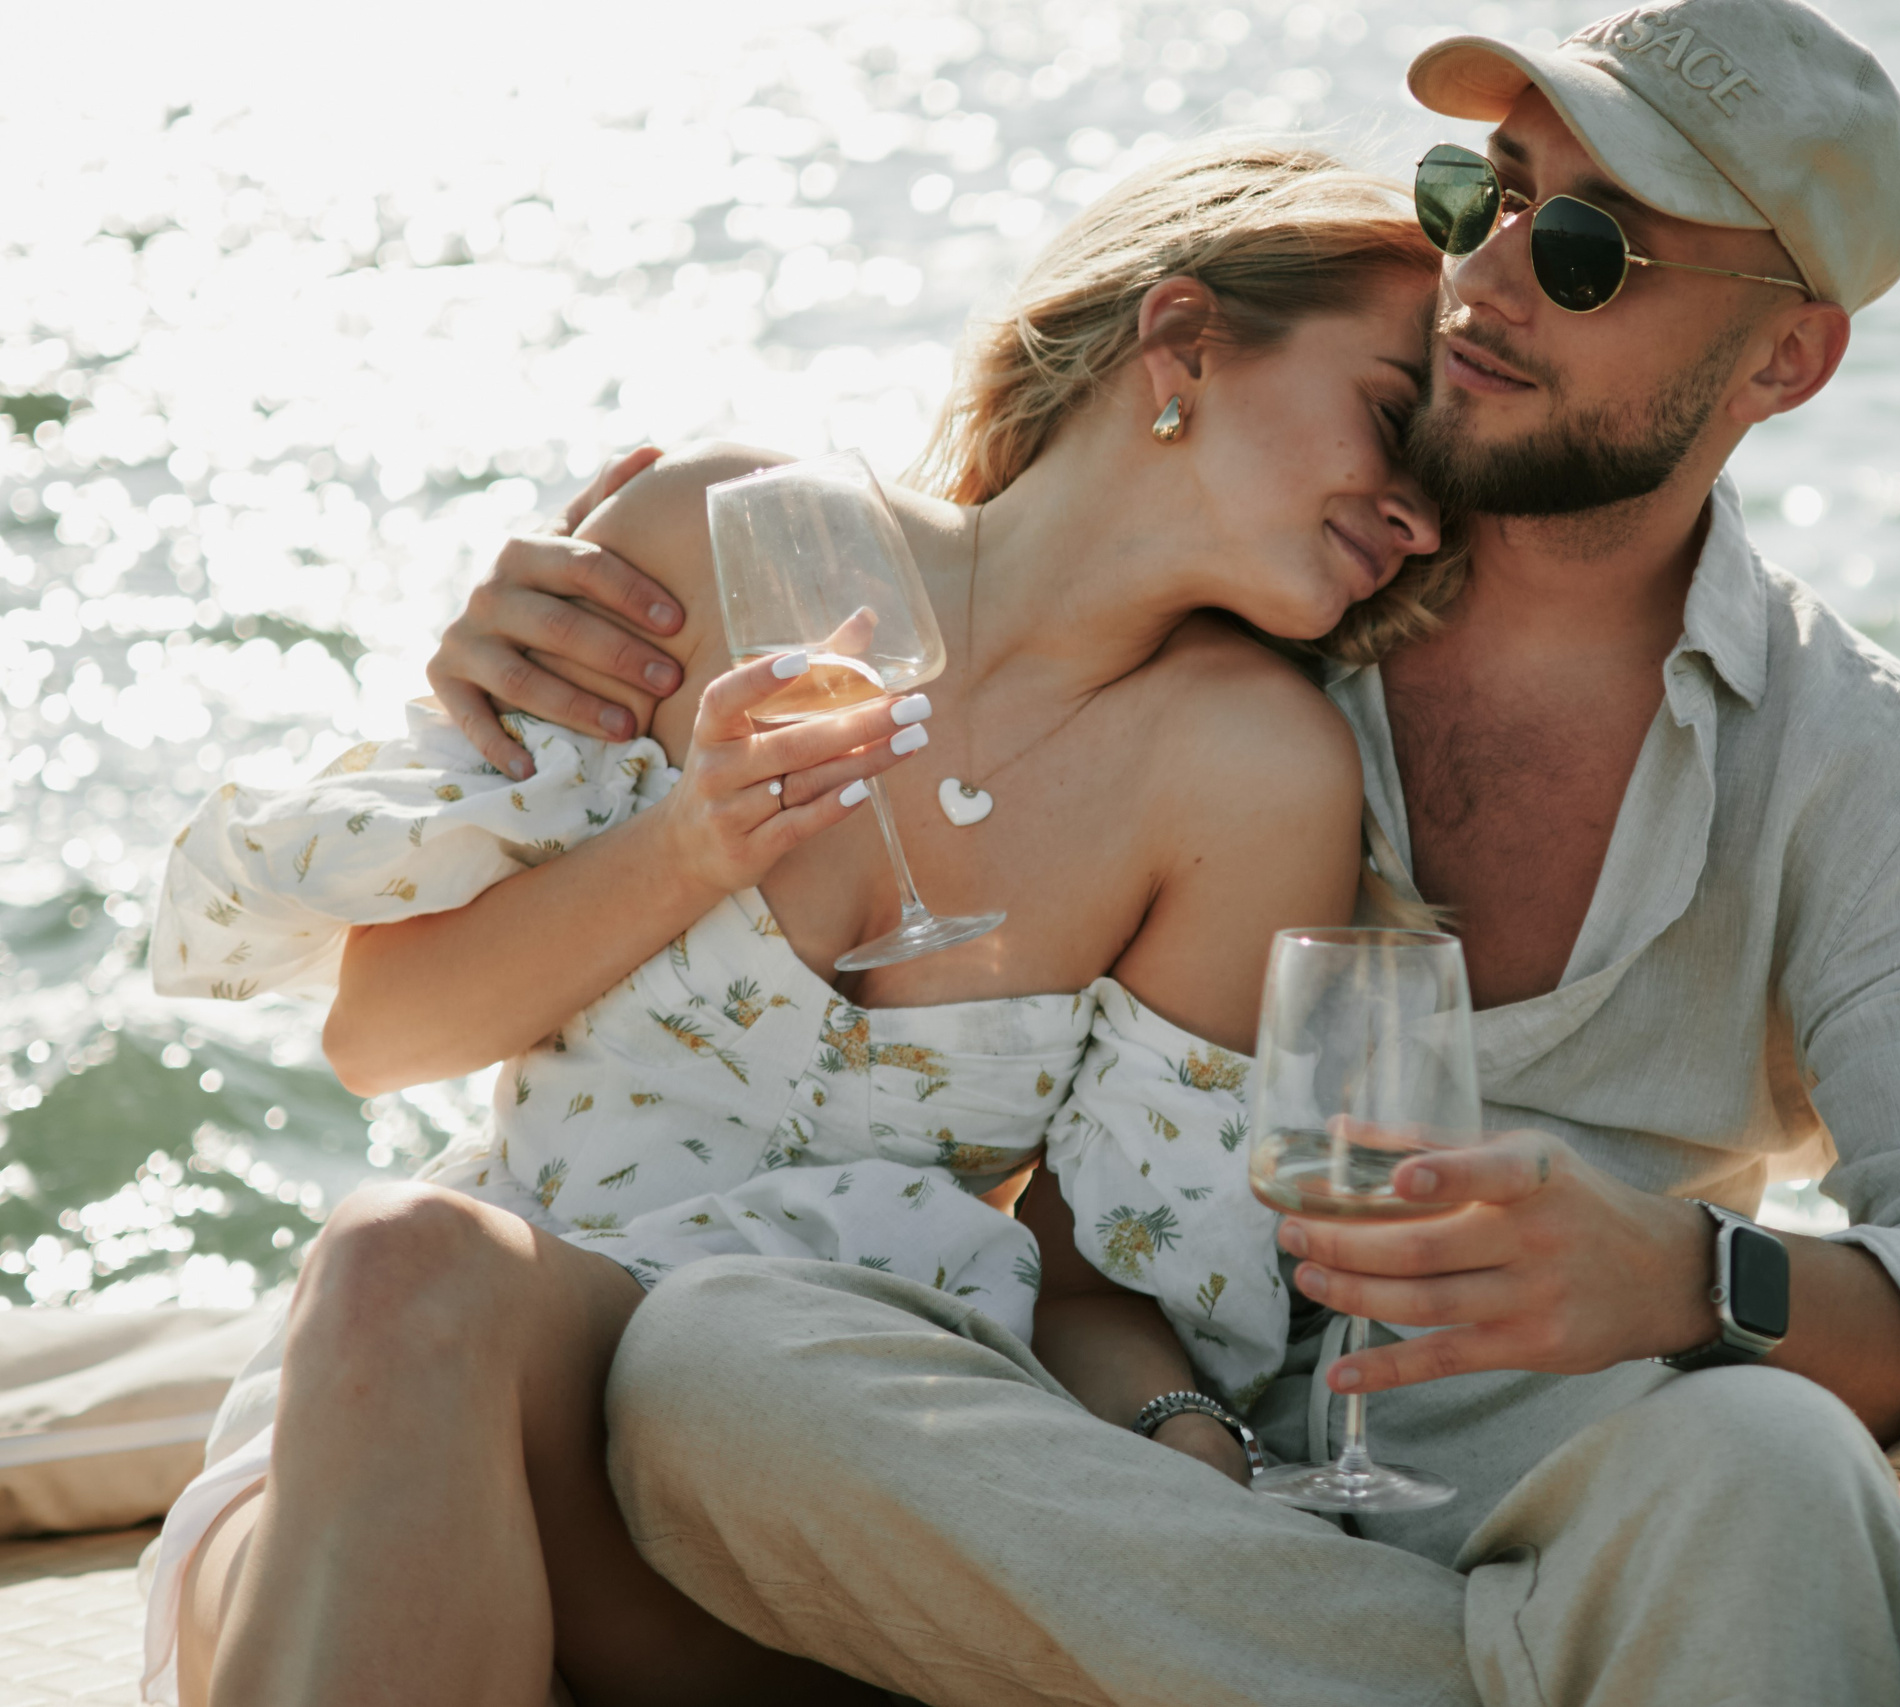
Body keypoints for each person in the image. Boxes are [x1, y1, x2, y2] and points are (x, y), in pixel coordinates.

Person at [429, 4, 1900, 1704]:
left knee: (1775, 1458)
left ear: (1784, 364)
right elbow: (974, 567)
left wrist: (1688, 1272)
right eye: (1486, 194)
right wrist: (531, 628)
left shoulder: (1860, 768)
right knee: (723, 1364)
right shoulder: (1265, 569)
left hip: (1571, 1488)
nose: (1493, 275)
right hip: (1109, 1472)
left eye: (1594, 250)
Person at [141, 140, 1451, 1707]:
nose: (1422, 514)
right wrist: (693, 844)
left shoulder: (1245, 776)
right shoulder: (719, 534)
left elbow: (1102, 1282)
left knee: (399, 1291)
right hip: (436, 1367)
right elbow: (382, 1035)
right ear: (1181, 343)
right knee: (397, 1271)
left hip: (757, 1480)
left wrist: (1188, 1473)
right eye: (1392, 413)